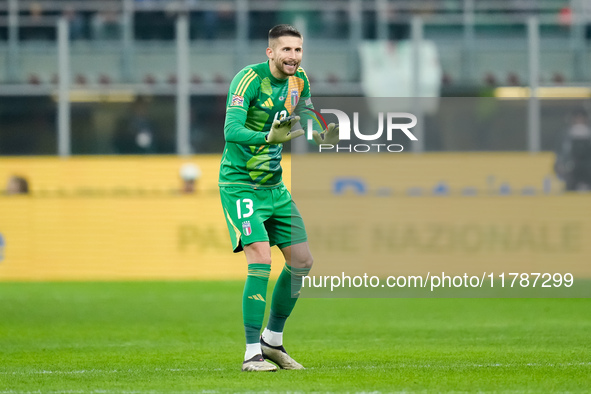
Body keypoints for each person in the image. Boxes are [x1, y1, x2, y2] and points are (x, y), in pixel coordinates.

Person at [218, 24, 338, 372]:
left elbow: (310, 115)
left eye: (298, 50)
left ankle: (272, 341)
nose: (293, 57)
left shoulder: (300, 81)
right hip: (240, 185)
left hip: (275, 187)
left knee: (302, 261)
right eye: (286, 50)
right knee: (260, 258)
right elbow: (230, 131)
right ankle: (251, 352)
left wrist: (321, 135)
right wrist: (269, 137)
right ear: (270, 52)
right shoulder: (248, 80)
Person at [554, 108, 591, 191]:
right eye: (577, 118)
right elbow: (560, 154)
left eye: (581, 118)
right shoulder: (565, 135)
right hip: (571, 167)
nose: (579, 120)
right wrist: (560, 165)